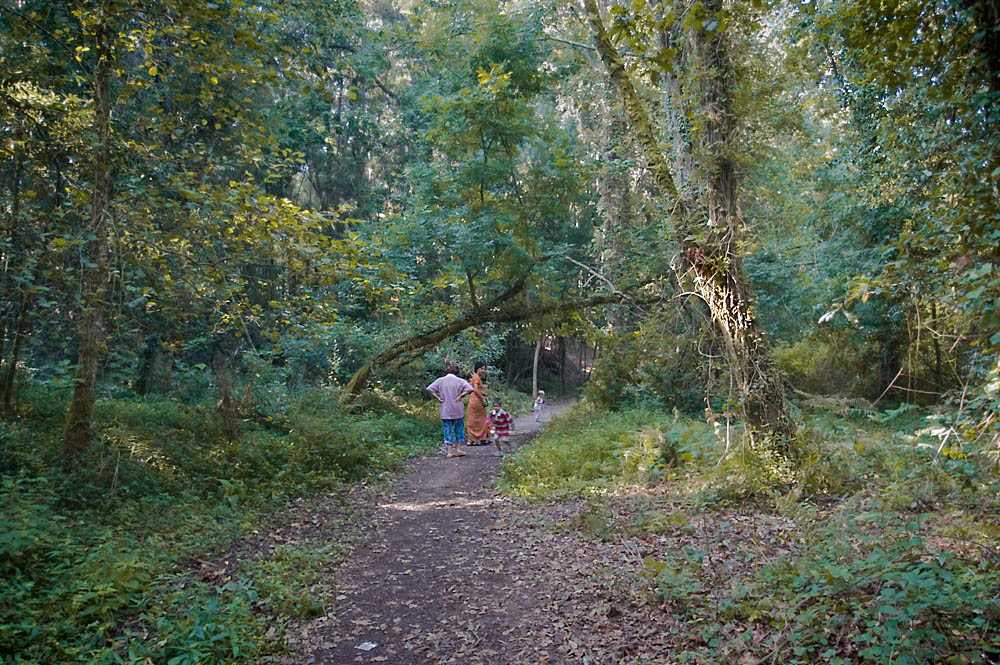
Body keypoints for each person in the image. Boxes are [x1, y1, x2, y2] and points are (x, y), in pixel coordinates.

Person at [426, 364, 475, 458]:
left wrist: (438, 398)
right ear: (457, 372)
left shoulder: (440, 380)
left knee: (447, 429)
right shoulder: (460, 381)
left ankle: (449, 452)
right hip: (457, 408)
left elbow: (429, 388)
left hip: (445, 409)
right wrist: (461, 395)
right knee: (459, 428)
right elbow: (470, 388)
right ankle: (459, 449)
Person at [465, 361, 490, 445]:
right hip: (476, 401)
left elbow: (474, 389)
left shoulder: (475, 377)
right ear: (477, 369)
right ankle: (477, 438)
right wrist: (482, 399)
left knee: (476, 419)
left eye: (484, 369)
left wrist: (483, 393)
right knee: (477, 420)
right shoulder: (476, 377)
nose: (483, 370)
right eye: (481, 368)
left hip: (474, 400)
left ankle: (476, 438)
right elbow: (475, 389)